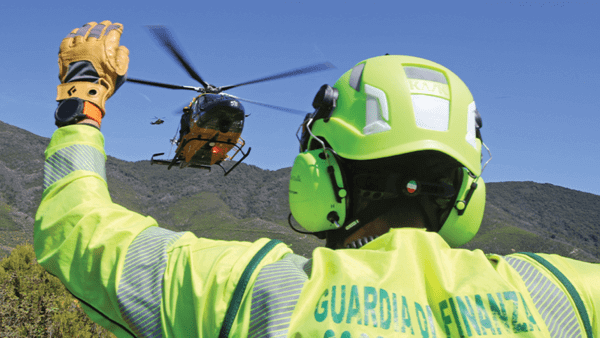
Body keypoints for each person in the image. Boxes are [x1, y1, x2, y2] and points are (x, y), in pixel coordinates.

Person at [34, 21, 599, 338]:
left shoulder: (257, 293)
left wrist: (83, 99)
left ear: (321, 174)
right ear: (467, 190)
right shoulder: (562, 296)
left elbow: (77, 228)